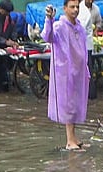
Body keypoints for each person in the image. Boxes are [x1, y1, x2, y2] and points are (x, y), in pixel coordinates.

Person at [43, 0, 89, 151]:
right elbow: (48, 37)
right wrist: (49, 20)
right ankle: (69, 140)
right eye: (72, 7)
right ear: (65, 8)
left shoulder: (79, 27)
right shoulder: (59, 26)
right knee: (68, 105)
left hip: (79, 71)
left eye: (77, 7)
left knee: (75, 104)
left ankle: (74, 136)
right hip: (65, 72)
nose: (75, 10)